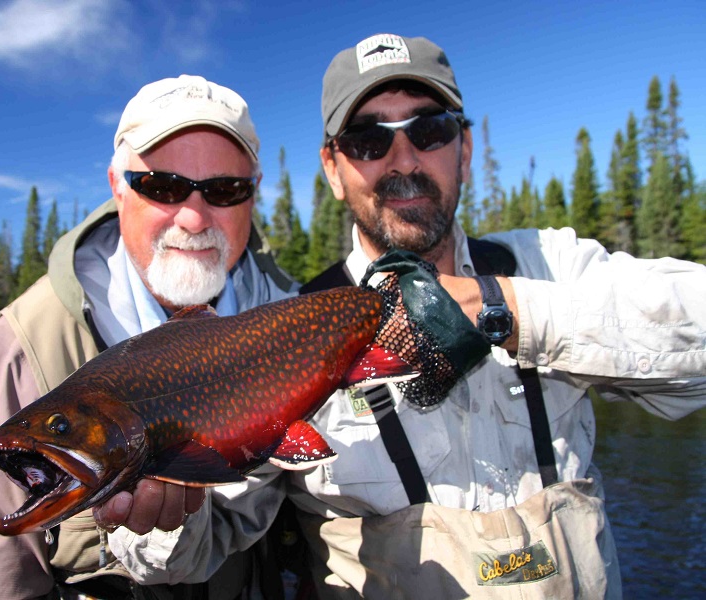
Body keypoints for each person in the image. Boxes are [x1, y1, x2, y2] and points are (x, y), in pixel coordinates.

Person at [105, 34, 706, 598]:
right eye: (368, 139)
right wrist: (157, 517)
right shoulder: (281, 334)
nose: (403, 159)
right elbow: (203, 547)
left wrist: (507, 309)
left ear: (464, 150)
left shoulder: (548, 263)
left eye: (430, 129)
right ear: (334, 170)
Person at [0, 74, 297, 600]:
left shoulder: (300, 328)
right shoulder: (30, 339)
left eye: (223, 189)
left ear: (253, 194)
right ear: (117, 184)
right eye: (162, 186)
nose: (193, 216)